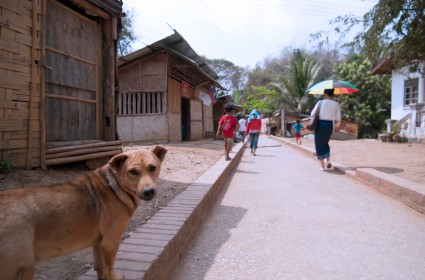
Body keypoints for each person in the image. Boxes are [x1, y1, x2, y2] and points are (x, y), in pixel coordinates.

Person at [310, 88, 341, 171]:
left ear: (325, 94)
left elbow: (312, 113)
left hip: (320, 124)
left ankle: (322, 166)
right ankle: (328, 160)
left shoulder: (320, 102)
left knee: (319, 144)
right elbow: (338, 118)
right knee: (325, 143)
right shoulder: (336, 104)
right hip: (330, 125)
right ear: (333, 94)